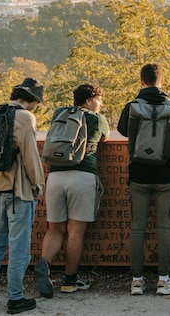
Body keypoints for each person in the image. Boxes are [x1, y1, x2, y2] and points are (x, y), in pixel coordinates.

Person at [116, 63, 170, 296]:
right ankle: (163, 280)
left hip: (138, 174)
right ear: (163, 80)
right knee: (164, 227)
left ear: (141, 81)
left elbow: (123, 131)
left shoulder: (131, 107)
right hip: (166, 176)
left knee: (137, 228)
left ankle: (137, 281)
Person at [0, 77, 46, 314]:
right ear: (33, 99)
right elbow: (30, 156)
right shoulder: (25, 118)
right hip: (17, 192)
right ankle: (15, 298)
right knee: (19, 247)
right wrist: (38, 184)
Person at [34, 82, 111, 298]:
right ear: (89, 100)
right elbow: (104, 138)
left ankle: (45, 265)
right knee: (76, 231)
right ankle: (69, 280)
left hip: (56, 176)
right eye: (99, 99)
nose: (101, 103)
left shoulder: (60, 113)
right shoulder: (97, 118)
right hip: (83, 176)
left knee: (55, 228)